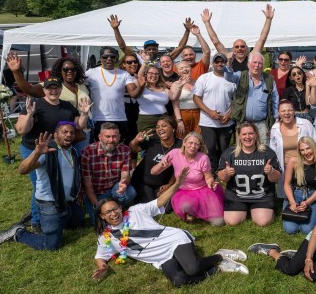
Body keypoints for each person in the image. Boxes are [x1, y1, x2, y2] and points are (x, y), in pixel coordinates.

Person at [91, 167, 249, 287]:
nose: (113, 213)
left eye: (115, 209)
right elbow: (100, 256)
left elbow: (160, 201)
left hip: (174, 240)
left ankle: (220, 256)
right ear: (102, 216)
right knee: (179, 281)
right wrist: (103, 268)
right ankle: (216, 269)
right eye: (108, 212)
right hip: (161, 258)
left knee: (193, 269)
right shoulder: (106, 238)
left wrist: (177, 184)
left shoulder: (135, 211)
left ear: (120, 207)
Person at [15, 77, 90, 233]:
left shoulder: (67, 107)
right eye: (50, 88)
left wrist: (84, 114)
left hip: (56, 149)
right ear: (44, 90)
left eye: (56, 88)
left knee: (55, 182)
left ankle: (56, 214)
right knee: (40, 184)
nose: (53, 91)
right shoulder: (36, 104)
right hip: (34, 149)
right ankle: (36, 220)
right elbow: (21, 130)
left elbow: (79, 126)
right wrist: (29, 114)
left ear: (61, 90)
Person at [0, 123, 83, 250]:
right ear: (55, 135)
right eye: (64, 132)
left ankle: (44, 219)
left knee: (78, 225)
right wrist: (36, 153)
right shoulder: (47, 151)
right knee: (50, 245)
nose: (69, 135)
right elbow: (22, 170)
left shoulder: (73, 151)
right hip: (50, 203)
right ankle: (18, 232)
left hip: (69, 201)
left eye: (72, 132)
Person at [6, 53, 91, 152]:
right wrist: (16, 72)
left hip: (81, 131)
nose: (70, 72)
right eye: (65, 69)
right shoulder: (53, 84)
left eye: (73, 69)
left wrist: (85, 114)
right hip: (62, 134)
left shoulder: (82, 86)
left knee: (76, 162)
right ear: (60, 71)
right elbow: (28, 89)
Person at [151, 132, 224, 226]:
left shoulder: (203, 158)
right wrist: (161, 165)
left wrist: (211, 183)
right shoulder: (174, 153)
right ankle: (192, 211)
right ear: (184, 142)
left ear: (199, 146)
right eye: (190, 143)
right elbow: (153, 172)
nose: (193, 146)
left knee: (219, 222)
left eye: (196, 144)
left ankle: (199, 208)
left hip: (202, 190)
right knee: (185, 206)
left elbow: (209, 177)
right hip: (183, 191)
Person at [216, 122, 282, 226]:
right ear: (239, 136)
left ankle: (261, 211)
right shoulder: (230, 153)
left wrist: (271, 171)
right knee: (231, 222)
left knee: (263, 222)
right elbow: (222, 178)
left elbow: (277, 178)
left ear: (256, 135)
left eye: (251, 133)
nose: (247, 137)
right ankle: (245, 210)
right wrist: (226, 172)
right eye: (244, 134)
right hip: (236, 196)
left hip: (261, 196)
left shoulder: (267, 152)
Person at [81, 122, 136, 225]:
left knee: (130, 192)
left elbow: (125, 174)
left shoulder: (125, 150)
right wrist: (97, 205)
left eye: (114, 137)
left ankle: (117, 206)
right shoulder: (88, 152)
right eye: (107, 137)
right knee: (102, 225)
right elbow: (87, 182)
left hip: (114, 188)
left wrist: (124, 183)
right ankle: (115, 208)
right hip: (96, 192)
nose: (111, 140)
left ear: (119, 137)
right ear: (100, 137)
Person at [193, 53, 237, 173]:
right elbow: (196, 97)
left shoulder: (232, 79)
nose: (219, 64)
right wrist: (209, 112)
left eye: (222, 61)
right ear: (213, 63)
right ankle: (211, 172)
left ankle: (224, 170)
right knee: (210, 148)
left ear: (225, 63)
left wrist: (229, 114)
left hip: (226, 122)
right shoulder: (204, 78)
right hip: (208, 121)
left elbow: (237, 100)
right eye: (217, 62)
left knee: (225, 148)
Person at [85, 47, 141, 141]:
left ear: (116, 58)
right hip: (98, 118)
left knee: (118, 148)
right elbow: (82, 90)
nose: (109, 59)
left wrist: (141, 85)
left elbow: (133, 94)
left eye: (112, 56)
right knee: (100, 148)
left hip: (119, 118)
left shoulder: (124, 74)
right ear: (100, 58)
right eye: (105, 56)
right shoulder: (91, 73)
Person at [269, 99, 316, 198]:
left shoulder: (305, 124)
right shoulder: (275, 128)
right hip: (285, 167)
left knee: (307, 195)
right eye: (283, 111)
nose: (286, 113)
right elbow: (273, 150)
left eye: (289, 110)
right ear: (278, 113)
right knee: (288, 197)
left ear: (294, 111)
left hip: (305, 165)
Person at [226, 52, 279, 144]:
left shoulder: (269, 79)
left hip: (262, 123)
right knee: (242, 151)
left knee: (263, 149)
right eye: (254, 62)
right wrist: (229, 63)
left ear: (263, 66)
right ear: (248, 64)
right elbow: (228, 77)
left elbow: (275, 99)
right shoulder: (240, 75)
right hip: (243, 123)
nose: (257, 65)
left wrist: (276, 118)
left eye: (260, 63)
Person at [201, 5, 274, 72]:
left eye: (242, 46)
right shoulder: (229, 59)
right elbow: (216, 42)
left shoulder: (251, 58)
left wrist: (268, 19)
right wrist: (207, 23)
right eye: (237, 47)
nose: (240, 49)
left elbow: (262, 39)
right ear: (233, 49)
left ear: (247, 48)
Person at [129, 116, 182, 204]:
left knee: (167, 207)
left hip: (163, 184)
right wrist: (136, 140)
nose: (160, 129)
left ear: (173, 128)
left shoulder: (180, 145)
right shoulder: (153, 139)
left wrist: (169, 185)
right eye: (157, 127)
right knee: (148, 205)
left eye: (164, 126)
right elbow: (133, 149)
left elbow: (179, 168)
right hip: (143, 181)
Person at [282, 137, 316, 234]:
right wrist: (292, 202)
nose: (306, 152)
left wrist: (307, 202)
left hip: (312, 196)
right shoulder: (293, 162)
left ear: (314, 148)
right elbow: (286, 184)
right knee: (290, 230)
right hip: (294, 194)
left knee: (307, 230)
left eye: (308, 148)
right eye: (302, 150)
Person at [135, 65, 177, 131]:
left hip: (164, 119)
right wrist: (145, 62)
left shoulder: (163, 88)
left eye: (156, 74)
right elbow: (140, 75)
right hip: (147, 120)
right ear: (145, 74)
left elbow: (174, 97)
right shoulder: (142, 86)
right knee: (149, 140)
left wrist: (179, 86)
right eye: (150, 73)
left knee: (163, 140)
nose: (154, 76)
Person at [173, 60, 200, 136]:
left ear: (191, 69)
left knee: (198, 139)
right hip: (183, 114)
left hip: (198, 114)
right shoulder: (175, 84)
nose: (185, 69)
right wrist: (179, 121)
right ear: (178, 72)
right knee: (182, 138)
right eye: (181, 68)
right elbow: (174, 102)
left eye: (187, 67)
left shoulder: (198, 82)